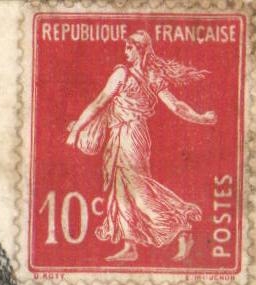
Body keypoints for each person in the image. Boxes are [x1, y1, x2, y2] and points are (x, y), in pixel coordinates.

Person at [66, 30, 217, 263]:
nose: (125, 52)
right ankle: (130, 245)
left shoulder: (127, 74)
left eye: (130, 48)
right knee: (120, 190)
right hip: (121, 134)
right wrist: (201, 118)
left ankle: (181, 224)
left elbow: (175, 105)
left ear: (141, 50)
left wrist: (200, 117)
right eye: (126, 47)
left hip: (132, 135)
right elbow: (99, 104)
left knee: (137, 188)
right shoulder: (135, 74)